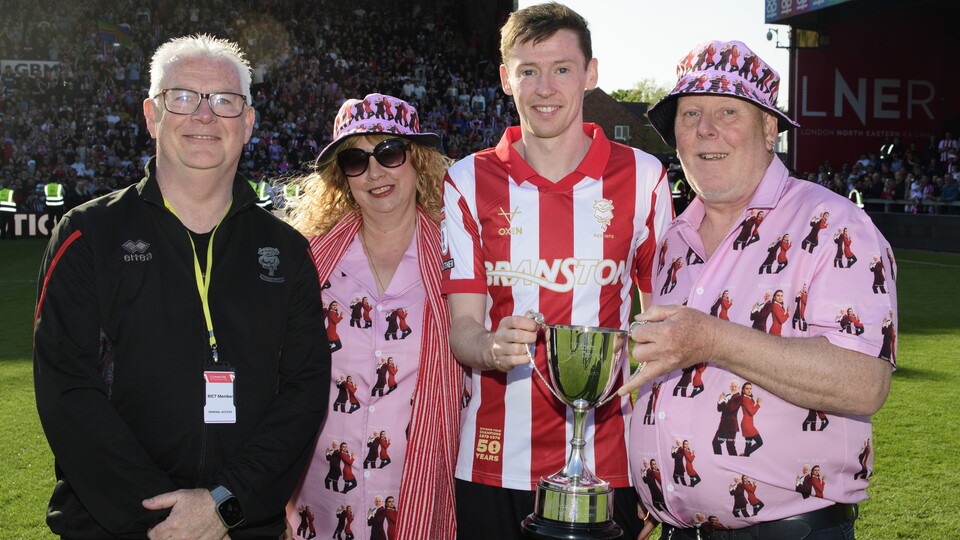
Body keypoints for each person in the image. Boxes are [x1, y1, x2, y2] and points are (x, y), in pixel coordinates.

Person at [32, 34, 330, 539]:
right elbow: (67, 392)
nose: (205, 116)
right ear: (152, 115)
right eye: (183, 97)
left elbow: (303, 393)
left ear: (249, 122)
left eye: (224, 101)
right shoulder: (88, 235)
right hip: (116, 529)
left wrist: (224, 506)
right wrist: (162, 521)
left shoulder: (286, 251)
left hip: (243, 527)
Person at [623, 39, 896, 539]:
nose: (706, 129)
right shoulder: (671, 242)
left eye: (728, 110)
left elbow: (864, 384)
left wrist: (711, 339)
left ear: (769, 129)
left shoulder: (837, 225)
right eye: (690, 115)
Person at [440, 4, 672, 539]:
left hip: (609, 465)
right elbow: (464, 329)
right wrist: (492, 348)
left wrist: (652, 463)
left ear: (591, 73)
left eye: (562, 68)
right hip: (492, 461)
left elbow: (664, 327)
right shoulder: (467, 181)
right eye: (528, 70)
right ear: (505, 79)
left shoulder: (643, 178)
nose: (545, 87)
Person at [284, 93, 462, 540]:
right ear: (342, 177)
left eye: (389, 152)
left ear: (417, 160)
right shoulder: (308, 261)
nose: (375, 172)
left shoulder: (458, 256)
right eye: (355, 160)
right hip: (319, 498)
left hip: (419, 486)